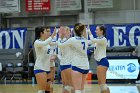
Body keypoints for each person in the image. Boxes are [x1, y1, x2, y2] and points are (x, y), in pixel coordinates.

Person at [58, 23, 90, 93]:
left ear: (72, 31)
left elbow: (60, 45)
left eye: (67, 30)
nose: (65, 31)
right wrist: (86, 31)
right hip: (65, 64)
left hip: (72, 64)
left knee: (73, 87)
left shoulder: (72, 40)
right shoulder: (83, 39)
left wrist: (59, 36)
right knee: (67, 86)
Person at [33, 26, 56, 93]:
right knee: (42, 90)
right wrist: (53, 35)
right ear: (41, 33)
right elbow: (44, 43)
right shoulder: (37, 42)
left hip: (47, 68)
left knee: (48, 89)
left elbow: (56, 43)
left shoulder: (47, 42)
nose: (48, 33)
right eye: (46, 31)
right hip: (40, 68)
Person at [88, 25, 110, 93]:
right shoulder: (98, 39)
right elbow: (89, 42)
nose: (95, 31)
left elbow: (92, 40)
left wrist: (89, 32)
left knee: (102, 84)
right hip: (99, 62)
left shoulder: (103, 39)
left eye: (97, 30)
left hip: (103, 61)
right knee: (101, 84)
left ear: (101, 31)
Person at [58, 26, 73, 93]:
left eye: (68, 30)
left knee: (70, 85)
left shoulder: (72, 40)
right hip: (62, 64)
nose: (66, 32)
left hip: (69, 64)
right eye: (65, 30)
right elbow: (58, 53)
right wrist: (61, 59)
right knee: (64, 84)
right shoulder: (61, 41)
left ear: (70, 32)